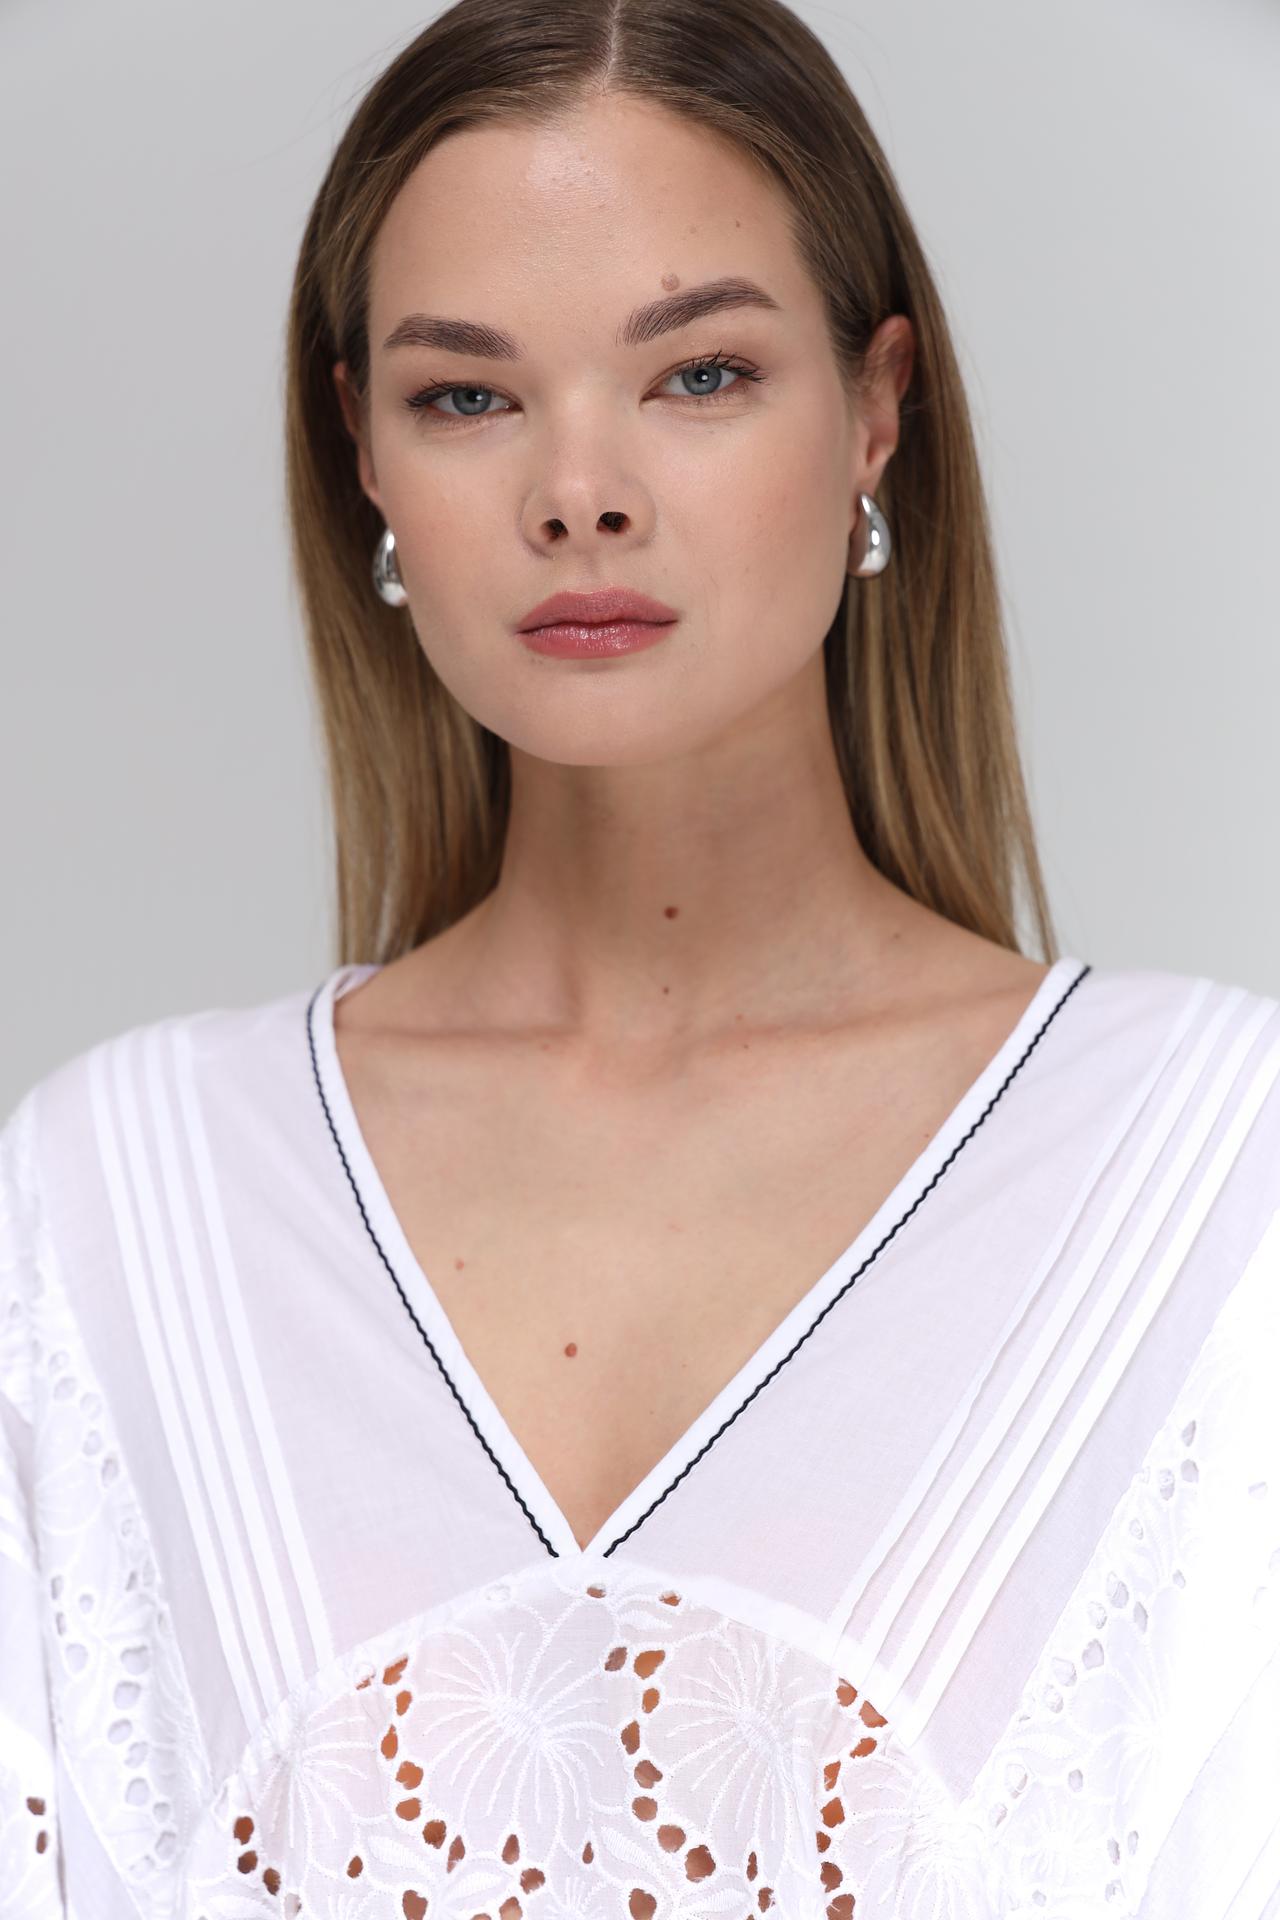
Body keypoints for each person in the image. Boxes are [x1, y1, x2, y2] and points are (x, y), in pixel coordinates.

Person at [2, 0, 1277, 1912]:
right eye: (467, 397)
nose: (576, 491)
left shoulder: (1220, 1177)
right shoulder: (112, 1201)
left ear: (876, 409)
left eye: (698, 375)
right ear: (362, 452)